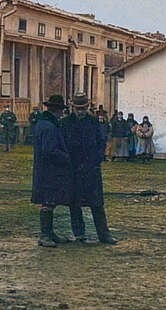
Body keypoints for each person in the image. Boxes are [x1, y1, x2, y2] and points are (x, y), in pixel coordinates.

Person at [64, 93, 118, 244]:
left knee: (97, 203)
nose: (80, 111)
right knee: (74, 203)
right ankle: (79, 234)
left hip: (91, 169)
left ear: (87, 107)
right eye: (78, 108)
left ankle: (104, 235)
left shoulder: (94, 122)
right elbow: (63, 145)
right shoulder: (66, 123)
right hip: (73, 169)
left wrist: (96, 160)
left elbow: (101, 143)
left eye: (83, 108)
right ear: (72, 107)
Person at [30, 95, 75, 247]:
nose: (62, 113)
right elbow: (50, 151)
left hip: (45, 170)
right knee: (48, 202)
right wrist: (67, 158)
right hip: (49, 171)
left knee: (50, 202)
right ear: (57, 110)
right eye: (61, 110)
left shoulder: (43, 124)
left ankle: (49, 233)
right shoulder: (49, 127)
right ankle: (45, 235)